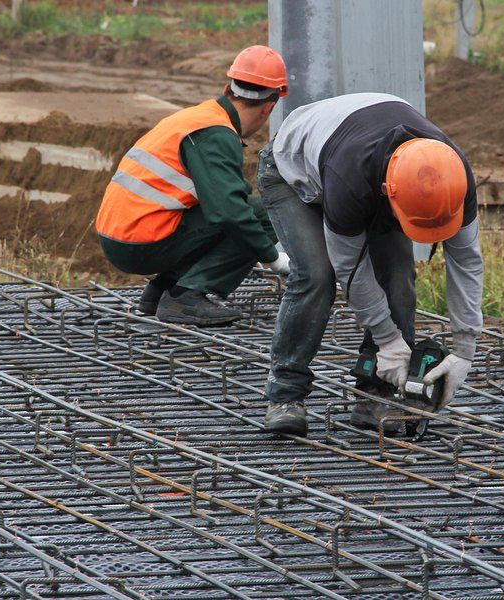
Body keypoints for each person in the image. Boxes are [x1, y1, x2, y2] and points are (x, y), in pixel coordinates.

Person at [258, 92, 483, 436]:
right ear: (390, 194)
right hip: (291, 168)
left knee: (397, 277)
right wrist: (387, 339)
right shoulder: (351, 181)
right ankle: (285, 394)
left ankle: (375, 394)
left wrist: (465, 350)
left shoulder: (452, 175)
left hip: (360, 159)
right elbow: (350, 269)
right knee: (316, 275)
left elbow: (466, 262)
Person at [95, 45, 291, 326]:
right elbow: (229, 211)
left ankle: (163, 290)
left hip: (121, 235)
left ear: (228, 88)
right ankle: (187, 297)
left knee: (236, 208)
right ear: (268, 107)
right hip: (138, 244)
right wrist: (274, 259)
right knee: (262, 214)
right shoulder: (215, 134)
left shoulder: (198, 117)